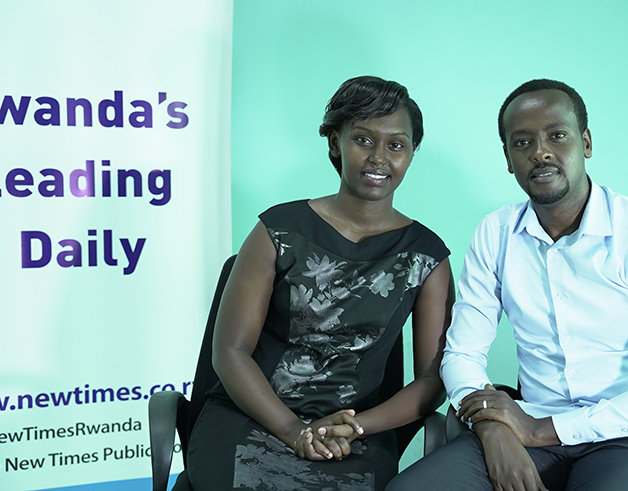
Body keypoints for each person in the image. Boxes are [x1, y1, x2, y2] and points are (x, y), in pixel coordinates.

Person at [388, 79, 628, 491]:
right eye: (522, 143)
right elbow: (462, 354)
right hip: (528, 421)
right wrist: (493, 427)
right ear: (508, 158)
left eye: (557, 135)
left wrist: (540, 430)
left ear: (585, 143)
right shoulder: (496, 233)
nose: (540, 152)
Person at [185, 76, 454, 491]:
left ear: (412, 152)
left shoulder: (427, 255)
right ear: (335, 143)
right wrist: (293, 430)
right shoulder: (278, 229)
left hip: (353, 434)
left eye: (396, 145)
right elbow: (230, 351)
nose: (379, 157)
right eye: (363, 140)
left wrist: (356, 427)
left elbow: (432, 381)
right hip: (252, 416)